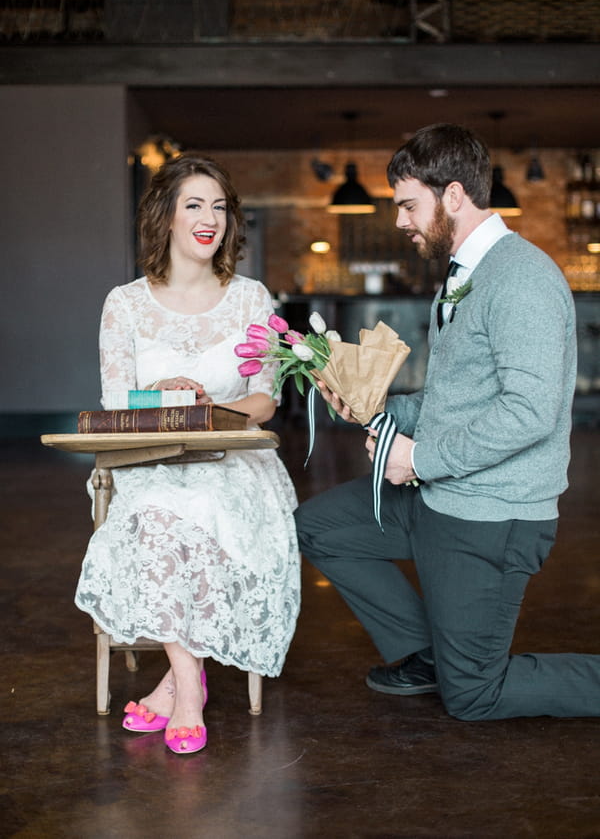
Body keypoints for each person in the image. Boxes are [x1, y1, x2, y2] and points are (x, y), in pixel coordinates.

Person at [295, 122, 600, 721]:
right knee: (319, 527)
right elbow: (456, 399)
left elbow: (530, 411)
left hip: (491, 515)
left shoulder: (523, 278)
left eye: (410, 205)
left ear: (454, 196)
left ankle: (460, 669)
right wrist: (379, 409)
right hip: (441, 497)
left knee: (474, 697)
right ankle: (433, 655)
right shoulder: (463, 275)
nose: (401, 221)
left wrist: (420, 458)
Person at [75, 152, 300, 753]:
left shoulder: (252, 298)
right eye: (194, 205)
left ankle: (176, 688)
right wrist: (161, 394)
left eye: (220, 207)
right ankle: (188, 680)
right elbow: (116, 399)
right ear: (165, 217)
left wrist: (214, 410)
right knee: (154, 512)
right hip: (150, 460)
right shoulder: (123, 304)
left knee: (200, 502)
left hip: (234, 460)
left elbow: (264, 401)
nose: (209, 219)